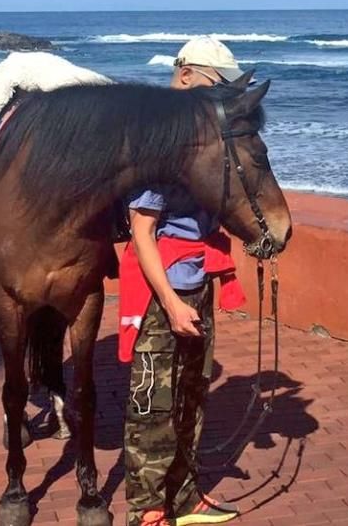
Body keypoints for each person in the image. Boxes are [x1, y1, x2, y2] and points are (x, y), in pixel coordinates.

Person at [120, 36, 246, 526]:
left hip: (197, 281)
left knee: (194, 393)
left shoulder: (202, 136)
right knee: (152, 402)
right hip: (163, 291)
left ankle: (187, 496)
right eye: (219, 86)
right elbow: (141, 230)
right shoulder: (158, 143)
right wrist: (171, 303)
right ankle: (147, 510)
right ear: (188, 74)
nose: (223, 98)